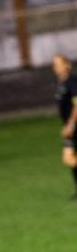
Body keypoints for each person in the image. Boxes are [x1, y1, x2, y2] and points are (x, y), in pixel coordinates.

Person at [51, 53, 77, 198]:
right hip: (68, 125)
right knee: (69, 158)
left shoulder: (72, 82)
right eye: (54, 65)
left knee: (70, 157)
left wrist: (71, 125)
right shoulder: (60, 83)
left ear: (67, 65)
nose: (56, 67)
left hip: (74, 126)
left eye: (59, 64)